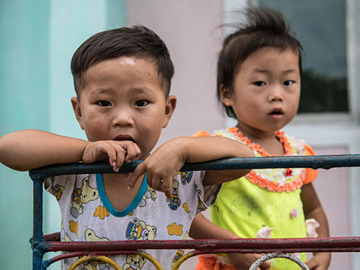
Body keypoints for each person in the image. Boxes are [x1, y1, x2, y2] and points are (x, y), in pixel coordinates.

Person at [0, 25, 254, 270]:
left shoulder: (178, 175)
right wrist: (82, 151)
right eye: (103, 102)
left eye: (140, 102)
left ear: (167, 111)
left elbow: (244, 157)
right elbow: (8, 147)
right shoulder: (74, 173)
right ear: (79, 112)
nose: (122, 118)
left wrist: (181, 147)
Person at [189, 7, 331, 270]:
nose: (277, 94)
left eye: (288, 82)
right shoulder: (216, 147)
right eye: (260, 83)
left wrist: (323, 254)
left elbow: (313, 211)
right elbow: (182, 212)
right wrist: (230, 247)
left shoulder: (299, 154)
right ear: (227, 93)